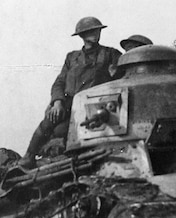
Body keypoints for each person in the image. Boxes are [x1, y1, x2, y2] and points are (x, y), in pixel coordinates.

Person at [20, 17, 121, 168]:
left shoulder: (110, 54)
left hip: (96, 103)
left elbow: (123, 75)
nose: (95, 34)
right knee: (50, 120)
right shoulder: (72, 57)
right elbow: (60, 81)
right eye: (90, 31)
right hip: (70, 102)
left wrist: (116, 72)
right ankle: (29, 156)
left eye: (97, 30)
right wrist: (57, 102)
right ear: (82, 35)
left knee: (69, 131)